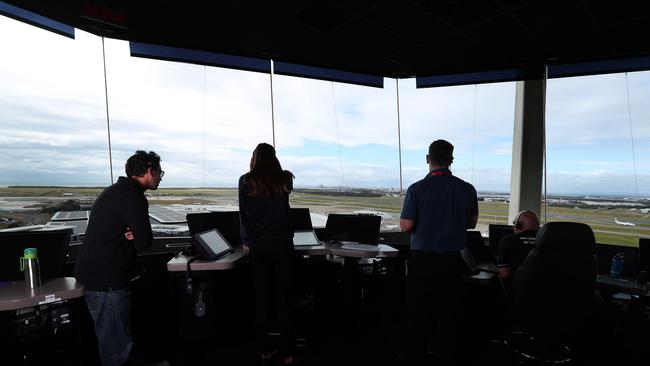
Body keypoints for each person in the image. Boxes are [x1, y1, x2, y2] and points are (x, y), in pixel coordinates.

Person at [74, 150, 163, 366]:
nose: (160, 177)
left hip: (98, 275)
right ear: (150, 172)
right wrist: (138, 233)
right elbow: (144, 241)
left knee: (118, 336)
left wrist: (135, 231)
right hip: (106, 281)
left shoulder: (118, 191)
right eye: (160, 172)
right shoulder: (133, 196)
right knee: (115, 345)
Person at [400, 139, 478, 365]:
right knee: (448, 313)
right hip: (453, 261)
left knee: (419, 313)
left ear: (428, 159)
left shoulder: (416, 189)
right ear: (451, 160)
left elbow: (405, 225)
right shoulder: (467, 189)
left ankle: (416, 355)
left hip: (423, 262)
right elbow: (472, 223)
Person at [238, 143, 298, 365]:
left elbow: (244, 214)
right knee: (285, 299)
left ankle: (264, 349)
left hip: (259, 246)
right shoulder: (285, 179)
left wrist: (246, 242)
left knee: (262, 299)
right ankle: (289, 352)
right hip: (283, 244)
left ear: (254, 158)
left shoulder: (245, 180)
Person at [496, 210, 540, 280]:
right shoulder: (547, 242)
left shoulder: (508, 240)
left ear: (518, 225)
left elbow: (504, 274)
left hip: (517, 287)